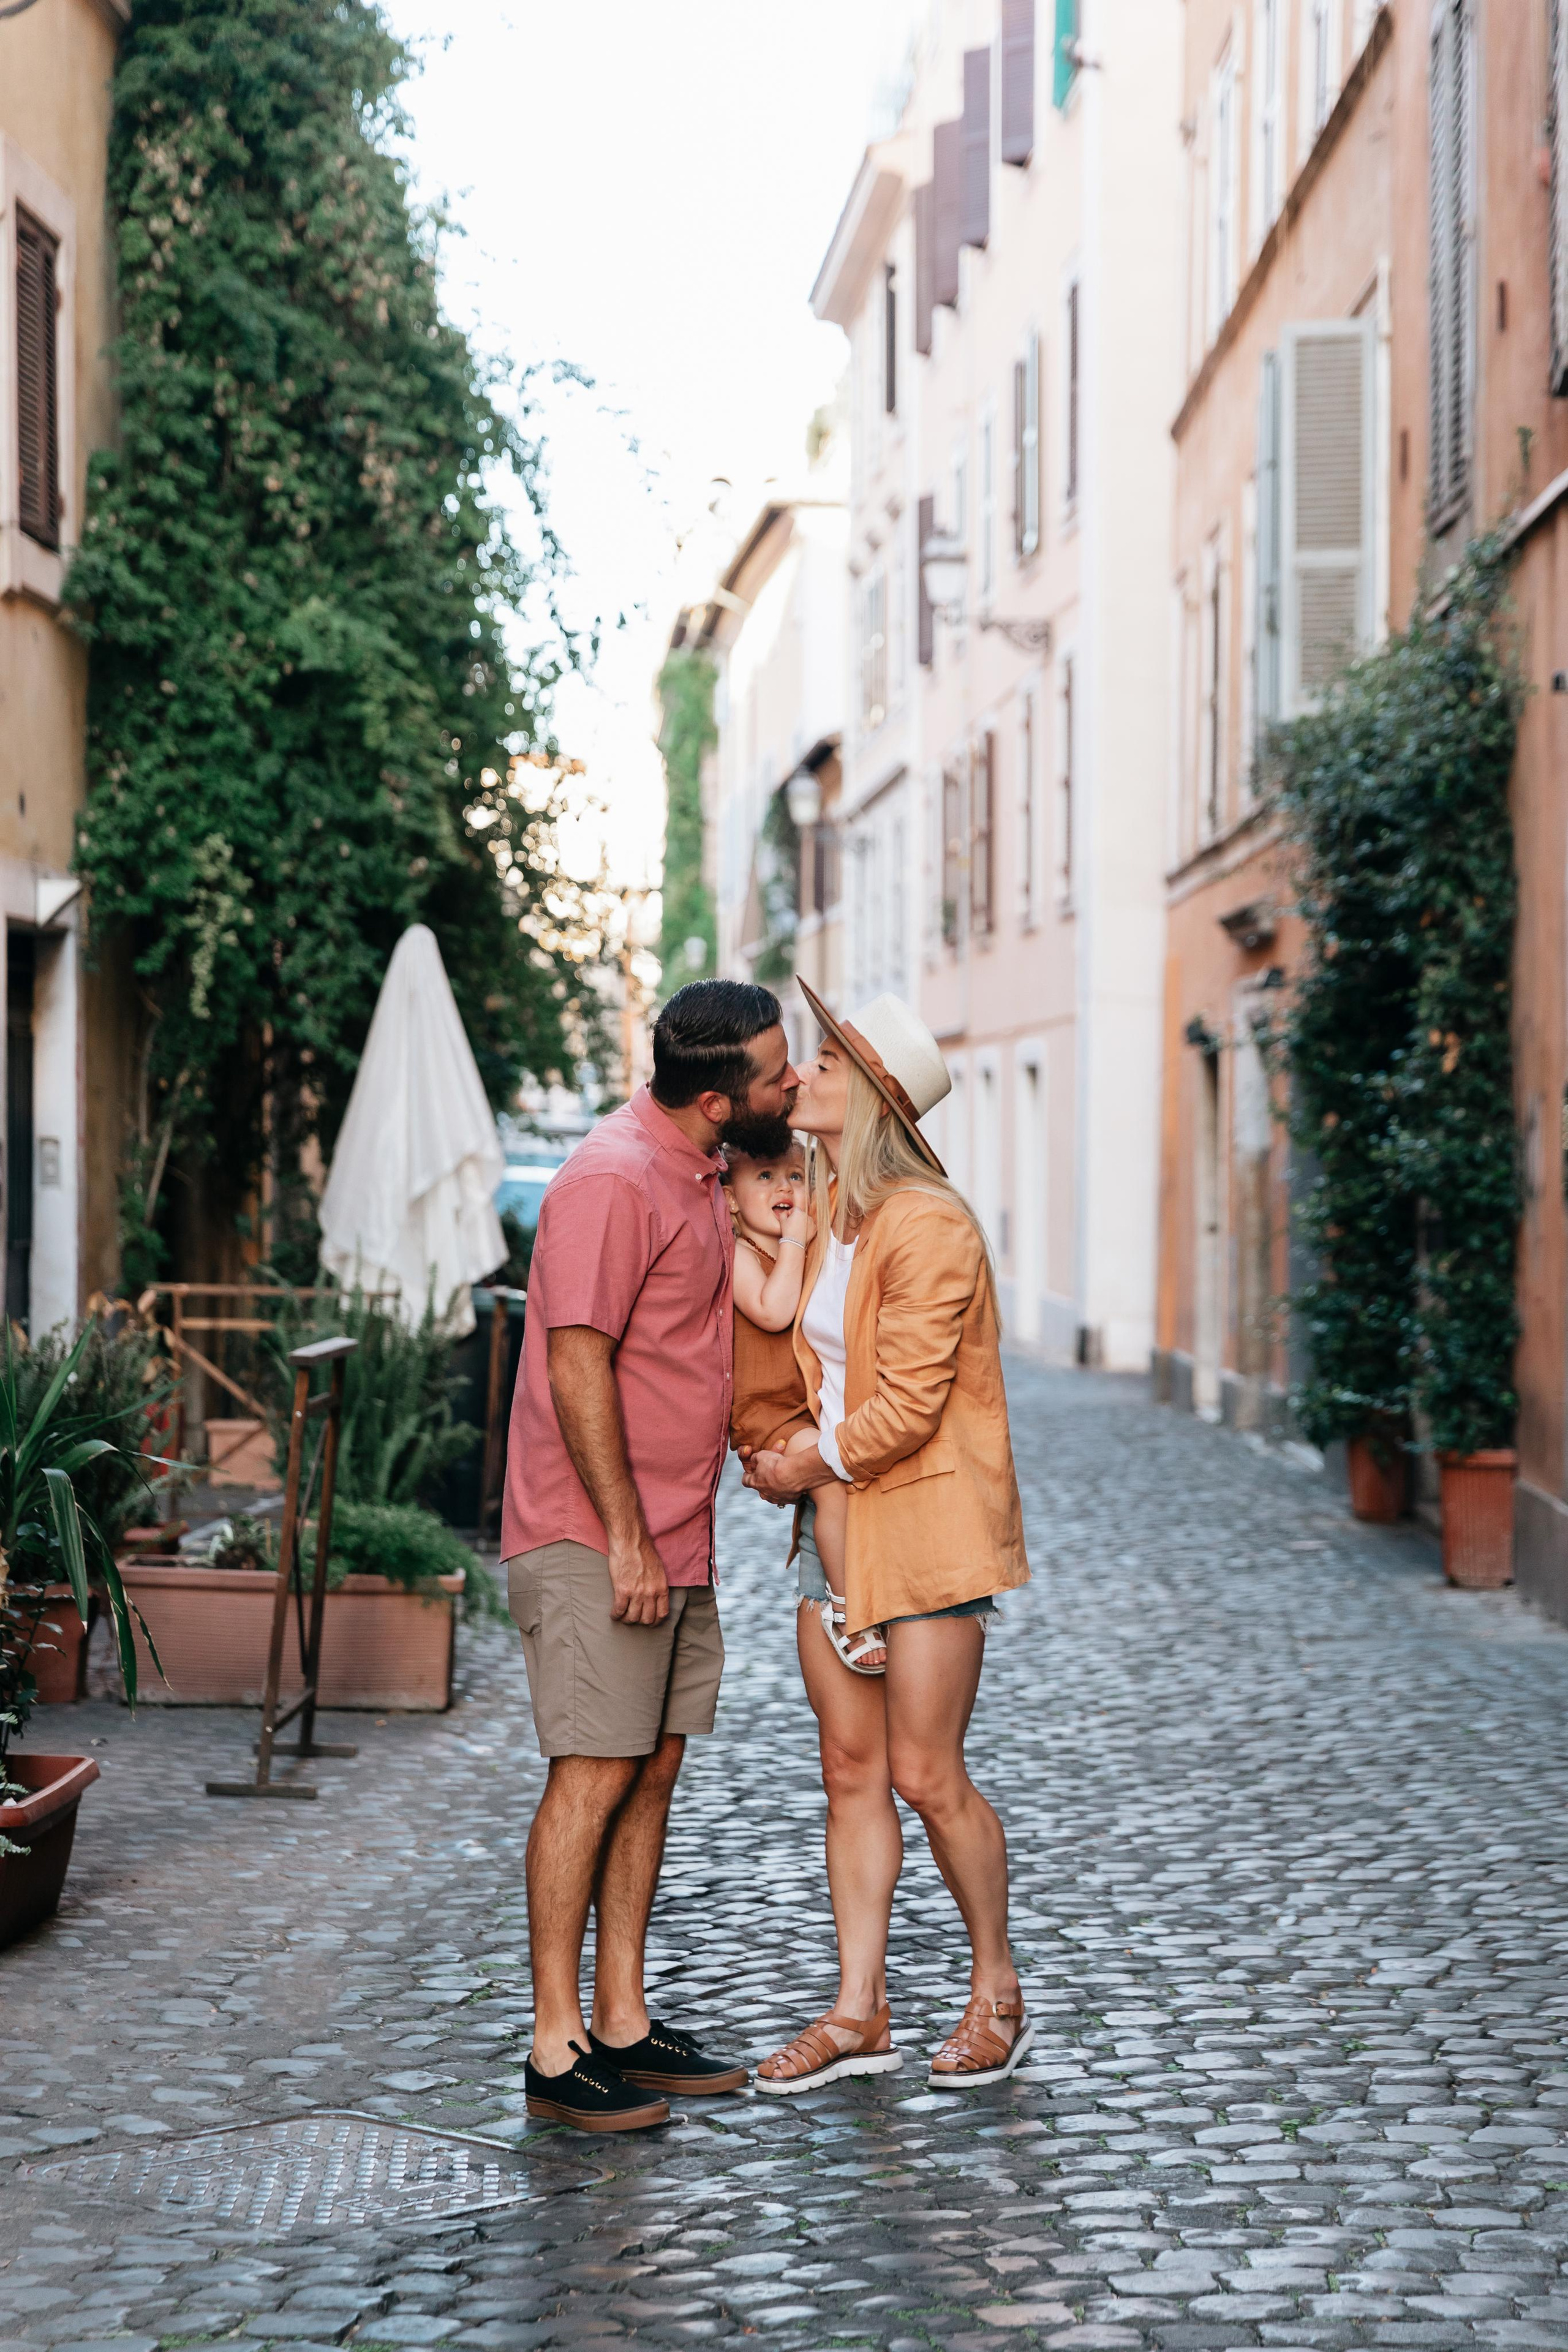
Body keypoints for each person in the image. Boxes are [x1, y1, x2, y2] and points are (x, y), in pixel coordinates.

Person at [502, 978, 799, 2132]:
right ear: (722, 1102)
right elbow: (579, 1366)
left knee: (652, 1766)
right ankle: (554, 2041)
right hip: (594, 1538)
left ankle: (623, 2020)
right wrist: (626, 1535)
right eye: (778, 1075)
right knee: (590, 1771)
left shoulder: (696, 1170)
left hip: (677, 1534)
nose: (791, 1084)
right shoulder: (611, 1179)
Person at [741, 985, 1033, 2097]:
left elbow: (904, 1408)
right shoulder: (835, 1211)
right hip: (836, 1535)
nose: (801, 1074)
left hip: (926, 1536)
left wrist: (797, 1461)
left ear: (870, 1095)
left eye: (822, 1061)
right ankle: (860, 2010)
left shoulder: (931, 1224)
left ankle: (996, 1991)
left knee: (924, 1771)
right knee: (850, 1770)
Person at [723, 1140, 880, 1671]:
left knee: (851, 1479)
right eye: (764, 1176)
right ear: (730, 1198)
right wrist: (793, 1241)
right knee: (832, 1479)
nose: (786, 1188)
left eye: (796, 1174)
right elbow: (772, 1311)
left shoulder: (808, 1249)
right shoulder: (739, 1253)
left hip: (810, 1404)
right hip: (767, 1409)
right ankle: (847, 1611)